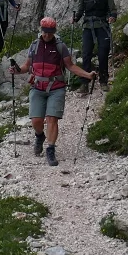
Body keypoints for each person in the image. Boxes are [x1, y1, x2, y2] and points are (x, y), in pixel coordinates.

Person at [12, 17, 97, 165]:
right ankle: (39, 136)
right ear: (41, 30)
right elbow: (26, 66)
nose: (47, 35)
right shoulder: (34, 46)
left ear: (54, 32)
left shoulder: (60, 47)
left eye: (50, 33)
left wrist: (87, 75)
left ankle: (50, 150)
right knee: (36, 120)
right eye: (45, 32)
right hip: (37, 87)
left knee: (52, 118)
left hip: (56, 87)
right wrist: (17, 70)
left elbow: (70, 66)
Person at [72, 0, 117, 93]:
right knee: (86, 54)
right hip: (88, 27)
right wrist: (75, 18)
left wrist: (112, 16)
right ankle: (84, 83)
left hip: (102, 25)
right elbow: (80, 10)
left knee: (103, 53)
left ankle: (103, 81)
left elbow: (112, 8)